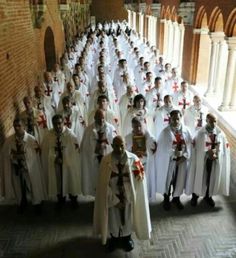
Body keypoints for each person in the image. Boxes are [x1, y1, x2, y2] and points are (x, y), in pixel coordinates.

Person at [93, 136, 151, 252]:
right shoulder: (106, 160)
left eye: (122, 146)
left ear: (126, 145)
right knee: (113, 220)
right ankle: (114, 239)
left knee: (128, 219)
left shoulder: (133, 159)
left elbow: (139, 182)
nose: (119, 149)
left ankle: (126, 239)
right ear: (112, 146)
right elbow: (103, 185)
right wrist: (115, 200)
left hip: (129, 197)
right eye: (116, 146)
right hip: (112, 197)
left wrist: (127, 197)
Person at [1, 117, 45, 213]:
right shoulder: (9, 141)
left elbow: (35, 156)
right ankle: (21, 203)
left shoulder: (31, 140)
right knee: (18, 187)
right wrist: (13, 158)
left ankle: (37, 203)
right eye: (15, 126)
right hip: (16, 168)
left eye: (19, 126)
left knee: (33, 185)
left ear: (24, 127)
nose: (17, 128)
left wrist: (24, 160)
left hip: (29, 168)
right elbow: (5, 155)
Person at [186, 113, 230, 207]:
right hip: (202, 161)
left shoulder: (219, 133)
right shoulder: (200, 133)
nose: (213, 123)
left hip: (214, 160)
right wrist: (207, 152)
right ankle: (195, 196)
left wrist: (216, 153)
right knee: (199, 177)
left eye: (215, 121)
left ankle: (208, 196)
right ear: (206, 121)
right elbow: (197, 148)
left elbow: (222, 146)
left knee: (211, 178)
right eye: (211, 121)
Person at [154, 110, 192, 210]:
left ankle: (176, 198)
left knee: (179, 180)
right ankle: (166, 199)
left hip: (182, 161)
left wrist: (184, 156)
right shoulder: (165, 132)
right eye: (173, 119)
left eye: (178, 118)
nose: (176, 121)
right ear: (170, 119)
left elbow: (190, 146)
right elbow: (162, 149)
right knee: (168, 180)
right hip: (169, 162)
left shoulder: (186, 131)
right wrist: (172, 154)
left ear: (181, 118)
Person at [41, 114, 81, 208]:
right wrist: (54, 158)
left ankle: (73, 199)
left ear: (63, 123)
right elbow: (45, 152)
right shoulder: (49, 136)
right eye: (55, 124)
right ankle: (60, 199)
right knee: (57, 181)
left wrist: (65, 158)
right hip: (55, 165)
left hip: (68, 165)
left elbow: (75, 152)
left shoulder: (70, 135)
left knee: (70, 180)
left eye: (59, 123)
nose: (57, 126)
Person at [80, 109, 117, 196]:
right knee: (96, 179)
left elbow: (115, 144)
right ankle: (97, 199)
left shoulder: (111, 128)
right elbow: (84, 148)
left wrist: (105, 147)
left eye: (103, 118)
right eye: (99, 118)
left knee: (107, 179)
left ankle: (108, 198)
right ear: (94, 118)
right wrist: (95, 148)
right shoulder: (89, 130)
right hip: (94, 160)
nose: (101, 120)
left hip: (107, 159)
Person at [125, 117, 157, 200]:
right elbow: (125, 152)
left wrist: (145, 152)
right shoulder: (128, 138)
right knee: (135, 186)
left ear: (144, 125)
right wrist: (132, 152)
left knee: (145, 186)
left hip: (146, 165)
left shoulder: (150, 138)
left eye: (140, 126)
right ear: (132, 126)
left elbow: (153, 151)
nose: (138, 128)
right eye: (135, 126)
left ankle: (145, 202)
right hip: (134, 165)